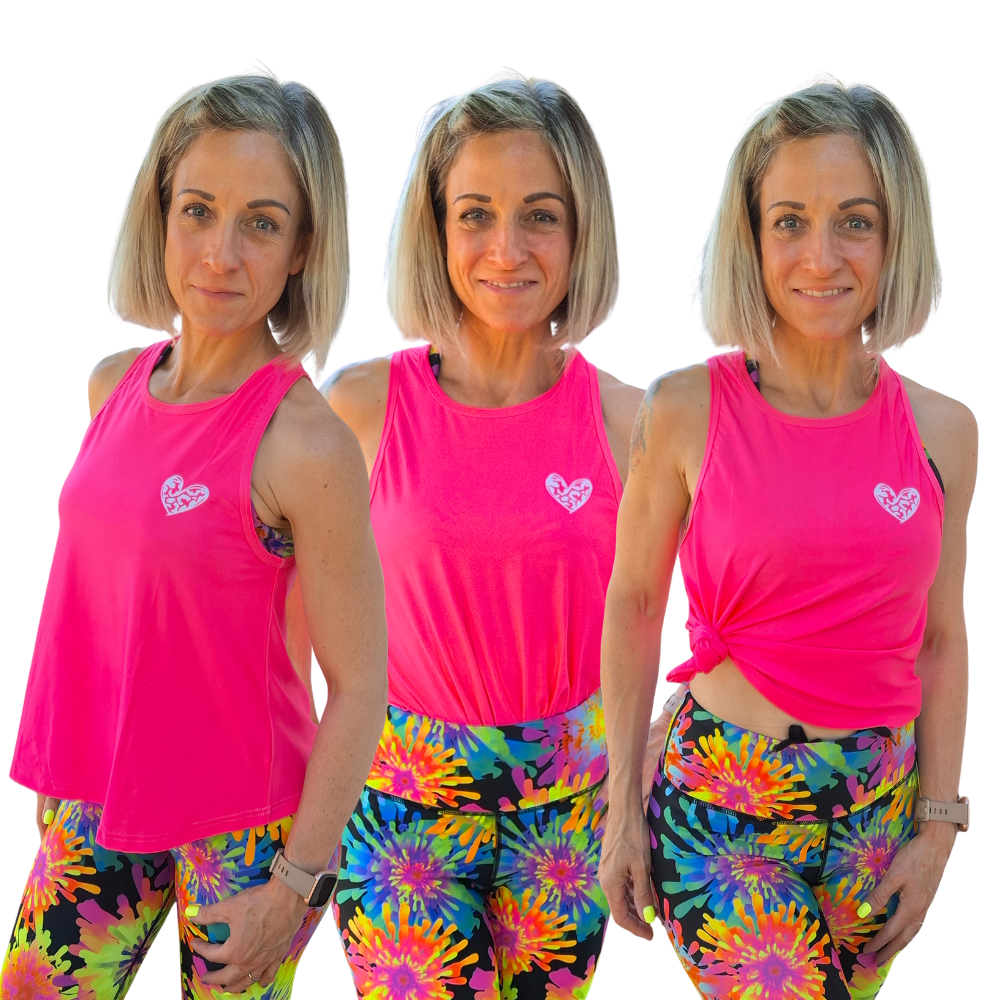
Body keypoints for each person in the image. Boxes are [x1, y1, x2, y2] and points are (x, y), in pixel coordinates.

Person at [2, 75, 387, 999]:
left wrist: (295, 886)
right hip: (99, 805)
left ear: (302, 247)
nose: (219, 252)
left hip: (249, 837)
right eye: (197, 211)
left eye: (260, 222)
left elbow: (363, 685)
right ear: (161, 216)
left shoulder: (307, 445)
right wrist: (61, 806)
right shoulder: (112, 386)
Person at [599, 82, 975, 999]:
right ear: (752, 236)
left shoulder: (945, 430)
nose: (821, 256)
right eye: (789, 222)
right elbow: (635, 605)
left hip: (875, 822)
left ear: (896, 238)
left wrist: (935, 832)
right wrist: (616, 808)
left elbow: (942, 637)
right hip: (725, 807)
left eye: (855, 222)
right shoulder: (685, 408)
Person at [318, 78, 642, 999]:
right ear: (437, 227)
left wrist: (650, 751)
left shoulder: (632, 421)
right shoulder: (360, 407)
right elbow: (257, 605)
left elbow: (726, 610)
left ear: (583, 233)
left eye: (540, 214)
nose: (506, 249)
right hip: (398, 814)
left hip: (570, 819)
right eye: (476, 214)